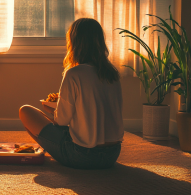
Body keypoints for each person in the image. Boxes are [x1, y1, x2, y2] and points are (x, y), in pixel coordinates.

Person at [19, 18, 123, 169]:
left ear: (74, 43)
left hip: (83, 156)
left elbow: (61, 122)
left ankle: (52, 150)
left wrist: (53, 111)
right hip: (112, 154)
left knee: (25, 111)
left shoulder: (74, 74)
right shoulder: (112, 74)